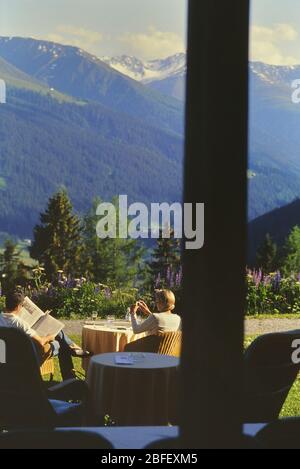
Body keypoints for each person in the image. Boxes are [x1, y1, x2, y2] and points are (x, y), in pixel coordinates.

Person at [0, 290, 91, 380]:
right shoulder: (19, 323)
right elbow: (41, 342)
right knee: (60, 344)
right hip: (29, 356)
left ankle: (72, 348)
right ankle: (70, 371)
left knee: (60, 335)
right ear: (19, 306)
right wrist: (50, 337)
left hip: (8, 356)